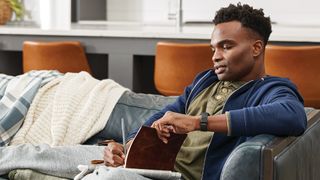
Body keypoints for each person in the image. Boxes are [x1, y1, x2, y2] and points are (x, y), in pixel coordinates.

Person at [104, 3, 307, 180]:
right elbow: (164, 115)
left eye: (226, 47)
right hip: (151, 168)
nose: (215, 57)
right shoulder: (205, 80)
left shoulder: (269, 89)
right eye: (213, 49)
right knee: (73, 156)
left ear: (256, 48)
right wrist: (127, 146)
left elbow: (293, 115)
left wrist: (198, 122)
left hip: (175, 176)